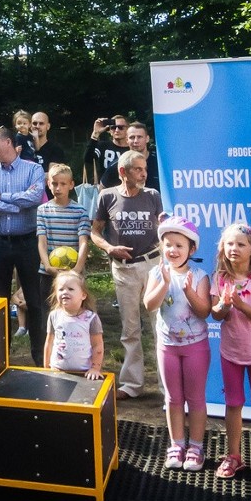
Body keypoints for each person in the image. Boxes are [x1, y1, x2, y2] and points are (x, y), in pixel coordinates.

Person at [90, 150, 163, 400]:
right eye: (138, 169)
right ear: (123, 172)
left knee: (160, 326)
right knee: (130, 328)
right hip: (123, 269)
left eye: (144, 169)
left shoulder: (153, 195)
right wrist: (110, 248)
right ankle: (132, 384)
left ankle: (167, 387)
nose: (144, 174)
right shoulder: (106, 197)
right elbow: (95, 232)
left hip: (153, 265)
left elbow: (163, 229)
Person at [210, 223, 251, 483]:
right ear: (222, 248)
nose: (234, 249)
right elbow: (216, 315)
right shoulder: (219, 278)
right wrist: (224, 306)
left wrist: (239, 304)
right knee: (233, 404)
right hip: (230, 354)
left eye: (240, 244)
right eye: (229, 244)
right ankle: (234, 456)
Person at [144, 217, 211, 471]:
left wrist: (189, 291)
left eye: (179, 245)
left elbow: (205, 311)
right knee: (172, 398)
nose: (172, 250)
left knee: (195, 398)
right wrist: (164, 282)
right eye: (168, 244)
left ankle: (196, 446)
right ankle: (177, 444)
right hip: (167, 347)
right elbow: (149, 305)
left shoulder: (200, 275)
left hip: (196, 347)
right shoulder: (156, 272)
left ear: (191, 250)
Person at [0, 126, 46, 366]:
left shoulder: (34, 169)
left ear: (7, 142)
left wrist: (3, 198)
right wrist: (18, 203)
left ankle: (40, 356)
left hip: (27, 243)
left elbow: (35, 198)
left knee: (35, 301)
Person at [36, 163, 91, 325]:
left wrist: (77, 269)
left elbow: (83, 242)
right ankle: (50, 346)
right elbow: (41, 242)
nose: (58, 188)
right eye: (54, 183)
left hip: (73, 273)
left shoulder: (80, 211)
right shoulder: (42, 210)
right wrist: (47, 265)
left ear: (71, 185)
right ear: (48, 184)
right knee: (48, 313)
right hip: (48, 273)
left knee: (73, 311)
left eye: (63, 184)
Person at [44, 271, 104, 378]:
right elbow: (49, 343)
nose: (65, 292)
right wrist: (46, 368)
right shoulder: (54, 315)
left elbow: (97, 345)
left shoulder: (91, 318)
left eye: (70, 289)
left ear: (83, 295)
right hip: (57, 369)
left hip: (84, 371)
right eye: (61, 289)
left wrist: (95, 368)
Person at [101, 121, 160, 191]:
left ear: (147, 139)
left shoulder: (159, 162)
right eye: (132, 137)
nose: (135, 141)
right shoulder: (118, 165)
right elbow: (103, 190)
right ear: (127, 140)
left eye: (139, 137)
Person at [82, 115, 128, 186]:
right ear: (109, 130)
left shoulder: (132, 148)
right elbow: (88, 159)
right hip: (106, 189)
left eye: (120, 127)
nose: (117, 130)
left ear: (128, 129)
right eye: (113, 127)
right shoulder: (103, 146)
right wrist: (95, 133)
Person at [30, 110, 65, 176]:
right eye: (34, 123)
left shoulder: (55, 149)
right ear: (30, 126)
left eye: (41, 123)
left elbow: (52, 176)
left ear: (48, 126)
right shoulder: (24, 146)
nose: (37, 126)